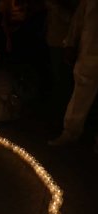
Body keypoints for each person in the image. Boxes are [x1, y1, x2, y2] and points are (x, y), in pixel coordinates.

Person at [48, 0, 98, 153]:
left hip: (90, 51)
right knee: (80, 94)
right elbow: (79, 17)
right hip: (89, 51)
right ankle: (70, 133)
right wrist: (71, 42)